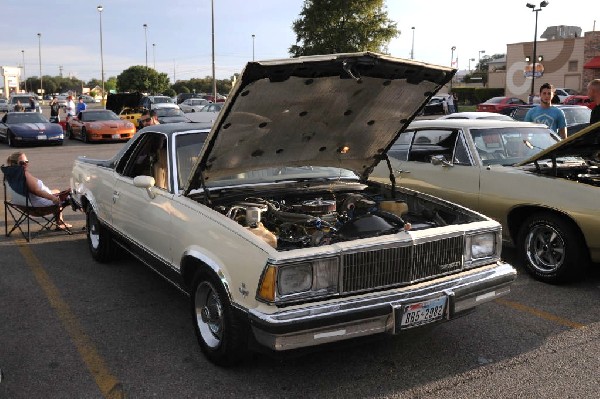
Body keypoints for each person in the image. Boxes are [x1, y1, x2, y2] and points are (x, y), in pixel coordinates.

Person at [4, 151, 72, 229]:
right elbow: (37, 192)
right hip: (38, 207)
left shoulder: (11, 175)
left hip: (23, 204)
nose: (26, 164)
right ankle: (85, 222)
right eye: (22, 163)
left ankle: (59, 222)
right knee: (72, 196)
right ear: (14, 164)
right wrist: (52, 198)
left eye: (27, 161)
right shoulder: (24, 176)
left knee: (56, 191)